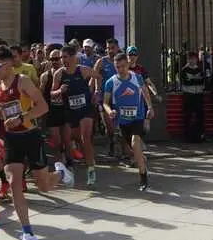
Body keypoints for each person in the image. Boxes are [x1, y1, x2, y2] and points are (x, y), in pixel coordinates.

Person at [0, 46, 74, 240]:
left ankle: (60, 172)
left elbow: (43, 107)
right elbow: (3, 113)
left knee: (43, 186)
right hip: (11, 140)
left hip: (31, 137)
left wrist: (22, 118)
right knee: (15, 183)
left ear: (7, 65)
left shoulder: (22, 81)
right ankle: (28, 234)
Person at [103, 53, 154, 191]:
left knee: (135, 142)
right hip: (123, 121)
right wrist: (109, 112)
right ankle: (142, 160)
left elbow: (145, 93)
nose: (121, 69)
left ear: (128, 65)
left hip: (138, 117)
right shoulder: (111, 82)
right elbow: (105, 103)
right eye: (118, 67)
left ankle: (143, 177)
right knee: (134, 150)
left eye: (123, 66)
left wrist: (150, 107)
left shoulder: (137, 78)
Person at [52, 45, 100, 185]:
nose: (63, 60)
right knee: (68, 140)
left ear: (74, 57)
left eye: (65, 57)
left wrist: (96, 92)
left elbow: (98, 76)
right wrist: (59, 91)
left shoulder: (82, 70)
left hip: (85, 109)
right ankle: (70, 165)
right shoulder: (59, 74)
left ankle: (91, 169)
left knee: (85, 138)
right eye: (61, 57)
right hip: (70, 110)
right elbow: (51, 93)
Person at [39, 48, 67, 163]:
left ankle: (67, 155)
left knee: (67, 137)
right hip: (51, 111)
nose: (54, 61)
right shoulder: (45, 76)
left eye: (57, 59)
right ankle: (59, 158)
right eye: (52, 59)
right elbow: (40, 94)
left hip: (66, 110)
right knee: (56, 138)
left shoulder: (68, 73)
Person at [179, 51, 205, 142]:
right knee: (187, 115)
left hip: (198, 95)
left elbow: (202, 81)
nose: (192, 60)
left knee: (200, 115)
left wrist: (193, 79)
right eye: (190, 58)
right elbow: (186, 82)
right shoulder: (184, 70)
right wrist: (196, 79)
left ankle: (201, 134)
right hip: (188, 95)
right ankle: (187, 135)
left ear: (196, 59)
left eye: (194, 58)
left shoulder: (200, 69)